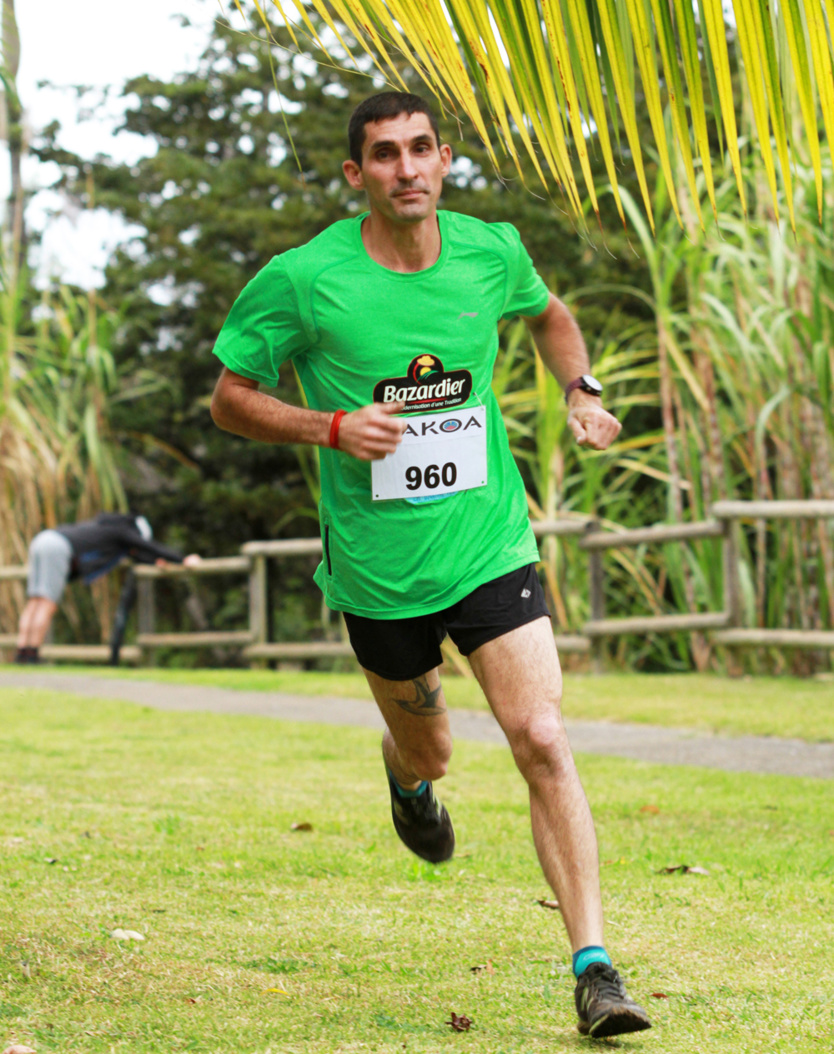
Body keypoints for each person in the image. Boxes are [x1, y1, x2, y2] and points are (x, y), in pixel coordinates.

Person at [210, 91, 650, 1039]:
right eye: (383, 155)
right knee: (434, 749)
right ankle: (407, 778)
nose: (405, 169)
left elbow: (552, 314)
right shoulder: (304, 279)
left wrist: (581, 389)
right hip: (378, 574)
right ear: (355, 174)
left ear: (443, 160)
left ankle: (596, 969)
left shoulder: (491, 251)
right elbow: (230, 398)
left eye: (420, 150)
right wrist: (327, 425)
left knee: (538, 733)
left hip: (489, 544)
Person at [14, 512, 201, 664]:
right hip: (57, 548)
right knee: (47, 603)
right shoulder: (122, 531)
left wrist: (156, 561)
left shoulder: (104, 528)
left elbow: (137, 554)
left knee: (35, 601)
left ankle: (22, 651)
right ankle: (32, 654)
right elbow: (147, 546)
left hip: (42, 539)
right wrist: (182, 559)